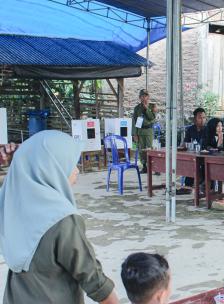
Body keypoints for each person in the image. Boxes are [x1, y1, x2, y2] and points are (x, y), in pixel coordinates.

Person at [0, 130, 119, 304]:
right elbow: (94, 281)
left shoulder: (11, 205)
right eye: (70, 163)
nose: (77, 170)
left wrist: (25, 159)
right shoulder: (61, 220)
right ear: (50, 167)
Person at [133, 89, 158, 174]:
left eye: (146, 96)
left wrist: (147, 109)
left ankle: (154, 167)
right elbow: (134, 121)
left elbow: (152, 118)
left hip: (148, 131)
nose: (144, 98)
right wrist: (134, 134)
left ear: (148, 97)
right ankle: (144, 167)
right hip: (140, 131)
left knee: (150, 149)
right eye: (142, 96)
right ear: (140, 97)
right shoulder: (137, 108)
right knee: (141, 150)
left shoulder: (152, 106)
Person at [183, 107, 207, 187]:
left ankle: (204, 185)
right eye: (200, 118)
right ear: (195, 119)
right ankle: (188, 185)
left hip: (205, 156)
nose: (202, 120)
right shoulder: (190, 129)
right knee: (189, 164)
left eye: (204, 117)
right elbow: (186, 142)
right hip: (193, 156)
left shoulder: (208, 129)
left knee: (205, 165)